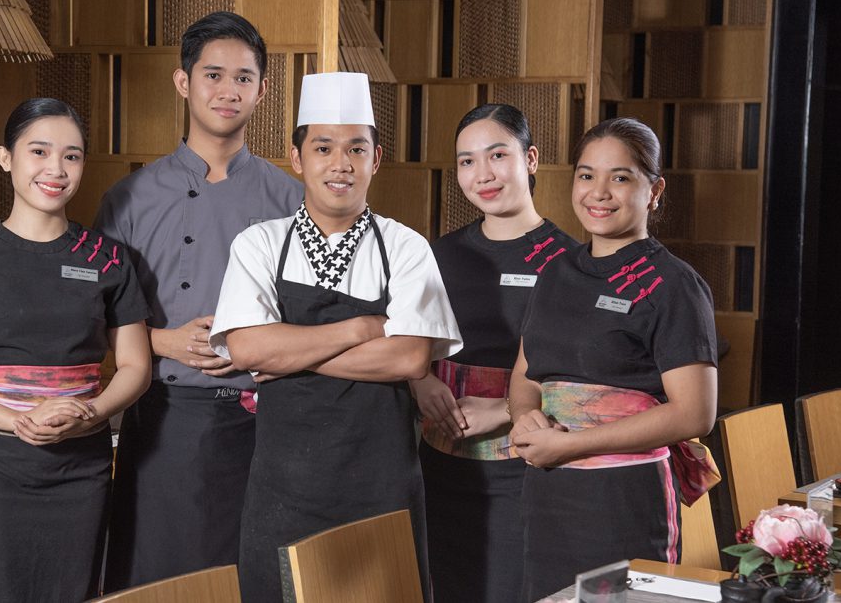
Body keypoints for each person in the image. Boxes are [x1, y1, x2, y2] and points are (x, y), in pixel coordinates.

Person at [209, 71, 463, 603]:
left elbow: (409, 359)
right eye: (323, 148)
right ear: (297, 158)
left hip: (381, 486)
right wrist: (361, 327)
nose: (340, 163)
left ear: (376, 158)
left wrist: (285, 352)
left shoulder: (406, 247)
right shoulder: (259, 244)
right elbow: (246, 348)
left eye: (356, 149)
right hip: (284, 488)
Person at [0, 98, 152, 602]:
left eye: (71, 156)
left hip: (80, 465)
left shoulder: (109, 260)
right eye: (39, 151)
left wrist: (91, 413)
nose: (55, 169)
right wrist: (17, 421)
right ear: (6, 158)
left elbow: (135, 366)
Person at [96, 11, 304, 589]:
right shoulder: (129, 197)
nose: (228, 90)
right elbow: (92, 316)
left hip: (265, 421)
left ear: (263, 91)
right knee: (157, 580)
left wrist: (261, 348)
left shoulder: (292, 199)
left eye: (243, 78)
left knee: (252, 579)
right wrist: (161, 340)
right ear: (183, 82)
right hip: (163, 419)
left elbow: (315, 317)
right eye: (213, 75)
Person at [495, 117, 719, 600]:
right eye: (586, 175)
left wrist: (571, 446)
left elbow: (695, 413)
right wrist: (524, 416)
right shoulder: (555, 272)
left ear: (654, 190)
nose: (599, 192)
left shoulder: (675, 286)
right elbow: (526, 375)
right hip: (546, 492)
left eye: (620, 177)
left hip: (623, 497)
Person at [410, 104, 578, 602]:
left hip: (525, 466)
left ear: (531, 159)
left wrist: (506, 408)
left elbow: (586, 376)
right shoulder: (438, 256)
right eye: (467, 161)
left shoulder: (570, 261)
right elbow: (406, 340)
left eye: (497, 155)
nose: (482, 174)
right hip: (438, 461)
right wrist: (420, 380)